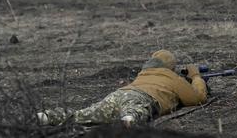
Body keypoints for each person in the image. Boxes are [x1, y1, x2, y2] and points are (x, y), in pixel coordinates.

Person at [37, 50, 207, 127]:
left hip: (118, 94)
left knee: (84, 114)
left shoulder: (143, 74)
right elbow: (196, 98)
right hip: (141, 98)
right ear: (171, 66)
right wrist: (195, 77)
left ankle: (46, 117)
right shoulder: (172, 77)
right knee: (136, 110)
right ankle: (129, 121)